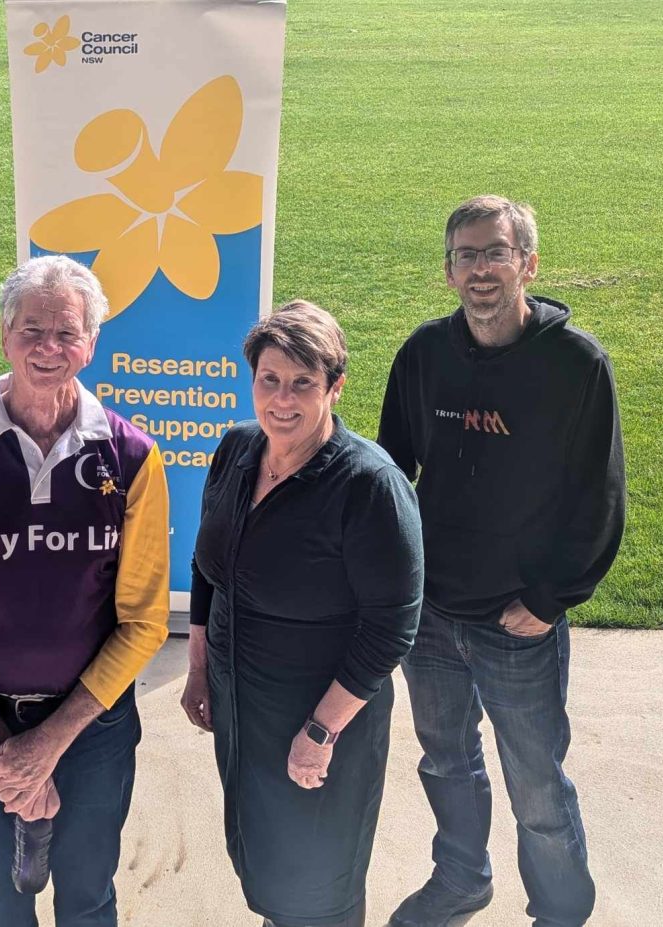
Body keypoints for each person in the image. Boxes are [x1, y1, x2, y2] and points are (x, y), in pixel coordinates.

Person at [0, 254, 170, 927]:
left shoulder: (132, 458)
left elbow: (143, 622)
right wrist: (0, 748)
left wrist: (46, 745)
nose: (48, 348)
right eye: (31, 330)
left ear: (92, 343)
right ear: (4, 334)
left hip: (94, 729)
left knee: (88, 897)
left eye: (67, 333)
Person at [378, 195, 625, 927]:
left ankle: (559, 907)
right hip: (432, 615)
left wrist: (551, 599)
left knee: (537, 782)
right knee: (445, 760)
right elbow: (391, 473)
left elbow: (599, 497)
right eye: (466, 255)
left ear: (528, 263)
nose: (481, 269)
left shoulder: (576, 365)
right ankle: (461, 879)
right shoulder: (424, 354)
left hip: (519, 619)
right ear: (448, 271)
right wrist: (399, 582)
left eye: (495, 252)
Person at [180, 301, 423, 927]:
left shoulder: (369, 484)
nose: (282, 399)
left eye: (303, 383)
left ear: (334, 387)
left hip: (319, 713)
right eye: (269, 380)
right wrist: (199, 668)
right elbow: (209, 568)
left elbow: (391, 627)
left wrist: (321, 733)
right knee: (265, 853)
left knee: (320, 880)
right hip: (242, 703)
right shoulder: (237, 450)